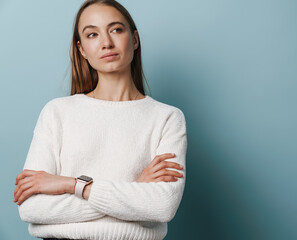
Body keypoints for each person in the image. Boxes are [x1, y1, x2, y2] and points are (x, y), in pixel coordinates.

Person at [13, 0, 187, 239]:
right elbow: (31, 207)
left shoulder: (166, 118)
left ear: (134, 39)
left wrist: (72, 185)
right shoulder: (57, 113)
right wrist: (134, 192)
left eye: (116, 29)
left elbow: (162, 206)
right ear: (81, 49)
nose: (106, 43)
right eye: (92, 34)